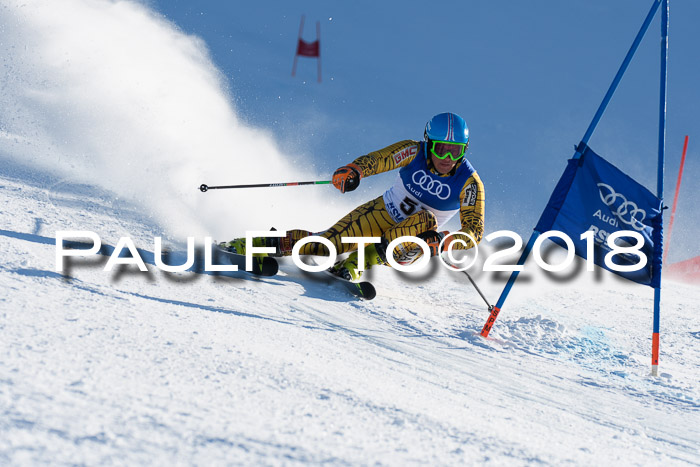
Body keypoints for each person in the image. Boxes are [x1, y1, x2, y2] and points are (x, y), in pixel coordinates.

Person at [221, 112, 485, 281]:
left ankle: (362, 261)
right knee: (326, 246)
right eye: (441, 149)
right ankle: (255, 244)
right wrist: (355, 170)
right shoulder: (413, 151)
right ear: (429, 143)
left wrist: (445, 241)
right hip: (381, 214)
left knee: (425, 219)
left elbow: (474, 231)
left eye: (456, 151)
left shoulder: (469, 183)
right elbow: (379, 160)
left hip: (413, 241)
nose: (447, 159)